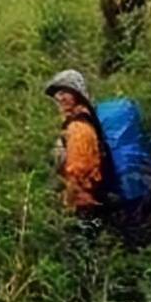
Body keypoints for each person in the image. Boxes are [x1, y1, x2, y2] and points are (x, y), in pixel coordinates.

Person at [44, 69, 109, 218]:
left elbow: (78, 172)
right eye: (57, 94)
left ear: (77, 96)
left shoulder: (78, 128)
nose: (58, 97)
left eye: (64, 92)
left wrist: (66, 208)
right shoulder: (72, 126)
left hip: (81, 206)